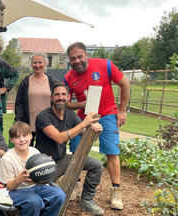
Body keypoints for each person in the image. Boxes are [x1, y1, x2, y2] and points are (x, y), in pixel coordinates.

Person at [64, 42, 130, 210]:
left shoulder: (104, 65)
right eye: (73, 59)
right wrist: (81, 104)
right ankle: (75, 185)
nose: (77, 61)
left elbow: (125, 85)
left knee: (112, 151)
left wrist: (122, 111)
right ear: (69, 60)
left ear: (86, 55)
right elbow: (66, 103)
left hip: (107, 114)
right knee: (77, 151)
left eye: (80, 57)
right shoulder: (69, 77)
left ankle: (116, 190)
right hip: (83, 118)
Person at [35, 83, 104, 215]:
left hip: (62, 158)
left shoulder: (70, 115)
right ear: (51, 98)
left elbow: (87, 137)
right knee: (42, 197)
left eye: (63, 95)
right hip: (44, 163)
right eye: (57, 95)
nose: (60, 97)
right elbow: (59, 138)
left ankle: (87, 200)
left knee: (97, 165)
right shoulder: (43, 116)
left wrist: (95, 130)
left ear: (68, 97)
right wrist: (84, 123)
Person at [0, 121, 65, 216]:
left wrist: (47, 165)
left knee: (59, 195)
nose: (22, 140)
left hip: (36, 186)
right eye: (17, 137)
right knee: (34, 201)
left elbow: (41, 178)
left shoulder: (34, 151)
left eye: (25, 136)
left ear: (30, 136)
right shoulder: (7, 159)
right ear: (11, 140)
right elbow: (8, 187)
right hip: (16, 190)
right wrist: (18, 180)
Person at [15, 52, 58, 146]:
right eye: (35, 62)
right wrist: (18, 121)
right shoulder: (25, 82)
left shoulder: (52, 82)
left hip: (47, 124)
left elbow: (57, 102)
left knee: (44, 153)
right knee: (26, 152)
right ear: (31, 64)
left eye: (40, 62)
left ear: (45, 63)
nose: (37, 65)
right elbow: (19, 104)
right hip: (28, 124)